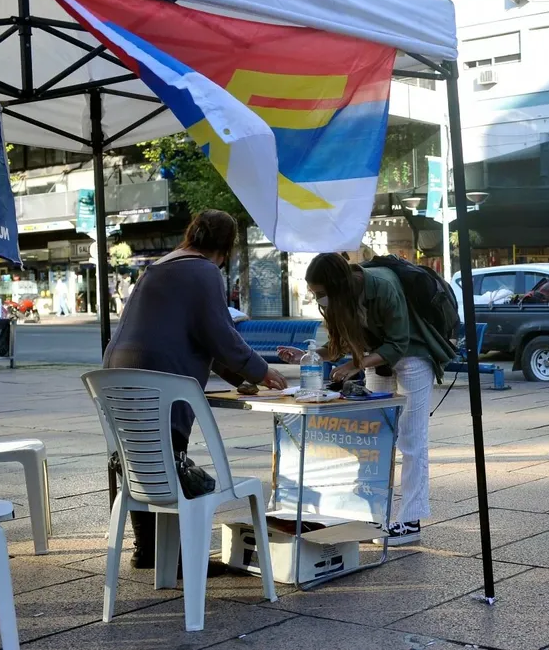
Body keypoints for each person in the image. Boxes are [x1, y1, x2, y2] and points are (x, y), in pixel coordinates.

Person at [103, 209, 287, 569]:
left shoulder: (159, 266)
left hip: (115, 375)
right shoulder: (204, 271)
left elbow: (199, 338)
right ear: (227, 247)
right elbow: (221, 335)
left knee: (138, 458)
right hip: (159, 376)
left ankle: (148, 549)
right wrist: (263, 371)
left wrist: (242, 379)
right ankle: (178, 559)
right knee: (169, 456)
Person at [277, 253, 454, 545]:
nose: (318, 299)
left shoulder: (383, 286)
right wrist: (308, 355)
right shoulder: (340, 298)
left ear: (337, 285)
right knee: (377, 438)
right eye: (314, 293)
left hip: (413, 355)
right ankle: (374, 513)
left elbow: (398, 344)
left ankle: (410, 520)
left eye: (320, 293)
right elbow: (339, 345)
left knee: (412, 438)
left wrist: (356, 365)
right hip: (375, 358)